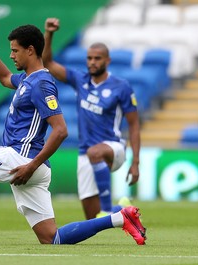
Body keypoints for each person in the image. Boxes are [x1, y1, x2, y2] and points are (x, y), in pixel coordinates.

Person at [0, 24, 146, 246]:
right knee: (52, 238)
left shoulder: (41, 84)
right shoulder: (27, 79)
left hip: (21, 158)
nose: (11, 55)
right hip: (31, 165)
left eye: (15, 50)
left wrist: (31, 165)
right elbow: (4, 77)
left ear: (30, 50)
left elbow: (61, 130)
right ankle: (119, 218)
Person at [42, 18, 141, 220]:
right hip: (85, 152)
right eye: (89, 58)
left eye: (97, 58)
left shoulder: (121, 87)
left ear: (108, 61)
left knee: (95, 152)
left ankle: (106, 207)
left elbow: (134, 124)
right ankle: (121, 210)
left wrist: (135, 162)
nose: (92, 62)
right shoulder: (81, 80)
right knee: (93, 217)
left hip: (113, 148)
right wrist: (49, 34)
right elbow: (48, 64)